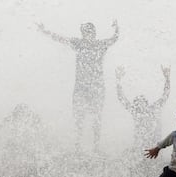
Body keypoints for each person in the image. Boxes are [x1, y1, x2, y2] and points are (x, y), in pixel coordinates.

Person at [37, 21, 119, 152]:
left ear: (94, 33)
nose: (87, 35)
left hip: (96, 87)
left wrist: (117, 28)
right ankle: (78, 145)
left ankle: (96, 147)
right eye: (85, 32)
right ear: (83, 33)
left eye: (89, 32)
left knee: (96, 117)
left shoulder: (99, 44)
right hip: (81, 86)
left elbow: (114, 39)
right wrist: (45, 31)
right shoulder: (79, 43)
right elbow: (60, 39)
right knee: (79, 116)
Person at [115, 65, 170, 150]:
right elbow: (121, 98)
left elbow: (165, 95)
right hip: (140, 143)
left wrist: (167, 79)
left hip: (153, 142)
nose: (140, 107)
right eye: (137, 104)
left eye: (141, 103)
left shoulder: (151, 109)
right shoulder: (136, 111)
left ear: (146, 104)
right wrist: (118, 81)